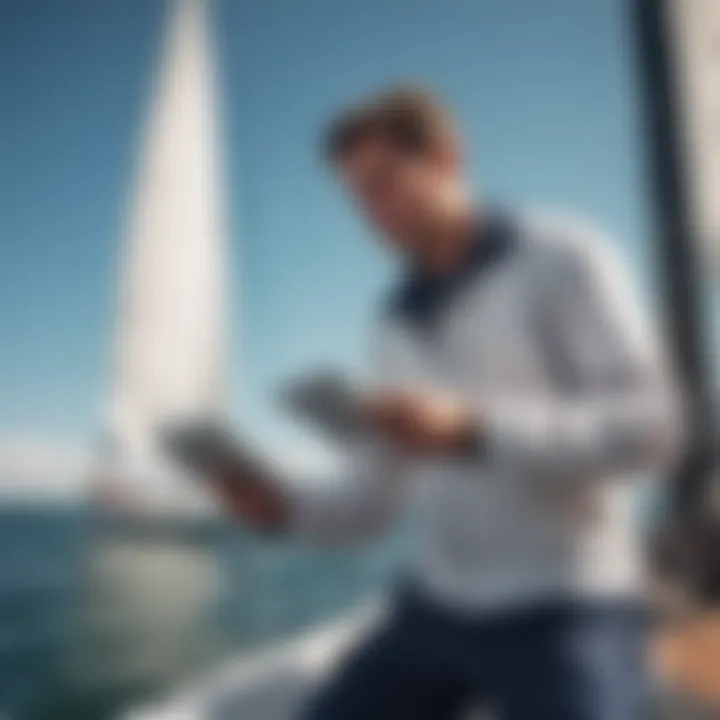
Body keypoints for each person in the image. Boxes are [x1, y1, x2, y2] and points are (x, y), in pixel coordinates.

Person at [206, 86, 683, 719]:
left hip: (571, 602)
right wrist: (282, 510)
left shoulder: (563, 256)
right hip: (438, 606)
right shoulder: (390, 323)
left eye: (383, 183)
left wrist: (475, 432)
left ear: (445, 159)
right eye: (356, 197)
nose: (371, 211)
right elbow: (372, 501)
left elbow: (655, 429)